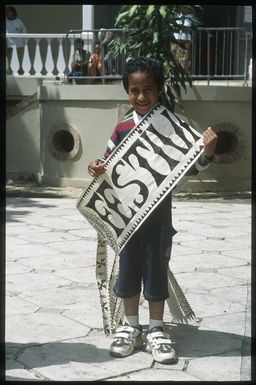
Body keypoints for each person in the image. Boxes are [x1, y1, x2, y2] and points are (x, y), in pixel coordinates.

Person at [88, 57, 218, 364]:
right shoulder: (121, 130)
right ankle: (131, 326)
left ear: (160, 91)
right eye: (135, 90)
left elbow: (193, 166)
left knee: (156, 273)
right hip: (126, 220)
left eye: (148, 89)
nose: (141, 97)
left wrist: (208, 150)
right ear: (127, 92)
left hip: (159, 221)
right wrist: (96, 167)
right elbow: (107, 163)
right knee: (129, 272)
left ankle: (157, 330)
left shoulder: (172, 127)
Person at [6, 6, 27, 74]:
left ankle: (21, 73)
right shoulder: (5, 21)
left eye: (8, 11)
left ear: (13, 12)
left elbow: (24, 32)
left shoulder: (18, 21)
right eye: (6, 11)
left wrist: (23, 45)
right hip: (9, 47)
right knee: (10, 62)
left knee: (20, 63)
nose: (6, 13)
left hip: (19, 46)